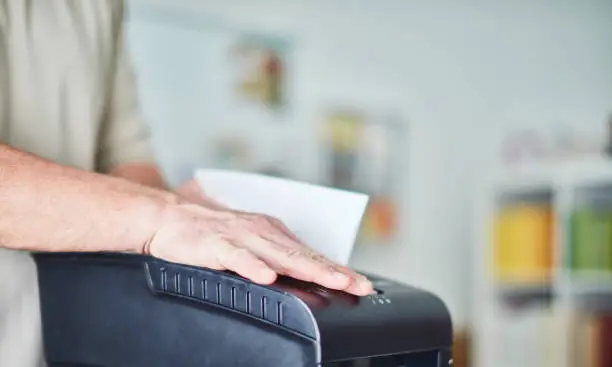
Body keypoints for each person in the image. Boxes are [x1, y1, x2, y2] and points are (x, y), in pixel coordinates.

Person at [0, 1, 373, 365]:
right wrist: (162, 216)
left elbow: (126, 157)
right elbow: (150, 210)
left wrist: (201, 217)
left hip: (58, 342)